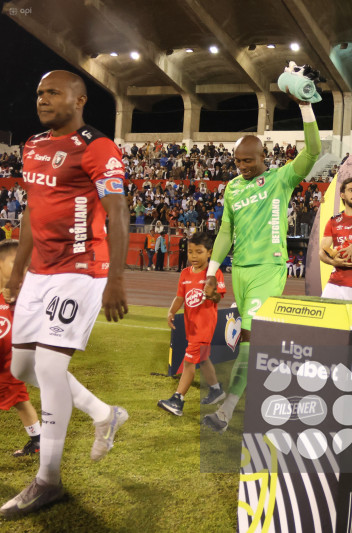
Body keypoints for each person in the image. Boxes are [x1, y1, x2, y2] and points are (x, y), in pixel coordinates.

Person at [1, 70, 130, 517]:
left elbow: (118, 210)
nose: (43, 99)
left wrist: (116, 278)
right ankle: (104, 413)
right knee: (22, 368)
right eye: (39, 93)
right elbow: (32, 212)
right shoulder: (33, 145)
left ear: (79, 100)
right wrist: (18, 272)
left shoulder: (97, 147)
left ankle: (48, 480)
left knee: (50, 366)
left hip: (81, 269)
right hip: (39, 271)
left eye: (53, 92)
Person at [201, 93, 321, 434]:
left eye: (248, 161)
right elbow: (226, 231)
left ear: (263, 156)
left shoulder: (281, 179)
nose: (242, 166)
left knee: (250, 338)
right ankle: (284, 377)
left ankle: (226, 411)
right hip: (239, 271)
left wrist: (305, 107)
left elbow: (313, 151)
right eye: (238, 161)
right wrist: (211, 273)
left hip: (268, 269)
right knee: (251, 338)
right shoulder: (232, 188)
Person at [158, 232, 226, 416]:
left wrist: (211, 294)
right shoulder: (185, 273)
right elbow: (180, 297)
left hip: (204, 327)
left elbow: (218, 297)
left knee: (188, 363)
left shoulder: (213, 274)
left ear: (209, 253)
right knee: (203, 359)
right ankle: (216, 390)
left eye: (199, 252)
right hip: (191, 326)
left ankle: (177, 400)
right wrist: (171, 311)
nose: (194, 256)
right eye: (190, 252)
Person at [0, 240, 41, 457]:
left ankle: (38, 440)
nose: (22, 269)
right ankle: (38, 440)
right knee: (20, 400)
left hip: (10, 362)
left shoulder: (22, 295)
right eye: (16, 263)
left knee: (19, 399)